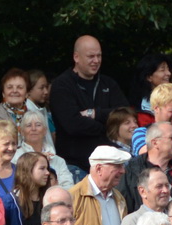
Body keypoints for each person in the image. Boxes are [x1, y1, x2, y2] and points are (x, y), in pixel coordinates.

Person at [48, 36, 127, 172]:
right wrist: (107, 126)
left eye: (99, 56)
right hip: (76, 165)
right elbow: (73, 125)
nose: (96, 61)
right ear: (76, 57)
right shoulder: (62, 85)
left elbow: (125, 115)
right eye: (91, 56)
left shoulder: (108, 83)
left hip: (111, 162)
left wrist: (94, 113)